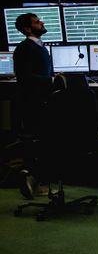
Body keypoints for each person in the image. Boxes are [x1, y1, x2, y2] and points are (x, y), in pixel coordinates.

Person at [12, 13, 56, 198]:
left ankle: (35, 178)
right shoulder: (25, 48)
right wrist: (52, 81)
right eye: (37, 22)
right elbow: (26, 78)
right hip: (34, 104)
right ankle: (32, 177)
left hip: (41, 102)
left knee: (43, 142)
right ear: (27, 29)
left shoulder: (37, 46)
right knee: (40, 142)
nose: (42, 23)